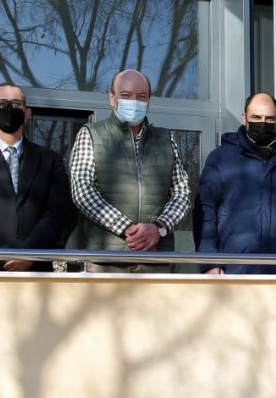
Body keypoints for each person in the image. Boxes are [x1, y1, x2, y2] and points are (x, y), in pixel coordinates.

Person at [68, 69, 191, 272]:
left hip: (156, 260)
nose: (134, 101)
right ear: (112, 98)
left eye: (141, 96)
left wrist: (158, 229)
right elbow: (82, 191)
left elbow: (182, 193)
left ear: (149, 100)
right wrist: (128, 229)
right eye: (126, 95)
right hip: (106, 261)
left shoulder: (166, 139)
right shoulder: (91, 134)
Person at [195, 92, 276, 275]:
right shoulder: (220, 159)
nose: (262, 123)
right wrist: (209, 264)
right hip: (235, 273)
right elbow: (205, 215)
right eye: (256, 117)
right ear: (244, 118)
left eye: (269, 118)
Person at [0, 83, 75, 271]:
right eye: (0, 104)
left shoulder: (50, 160)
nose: (8, 109)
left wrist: (30, 254)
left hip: (36, 271)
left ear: (27, 113)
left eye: (16, 104)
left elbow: (57, 213)